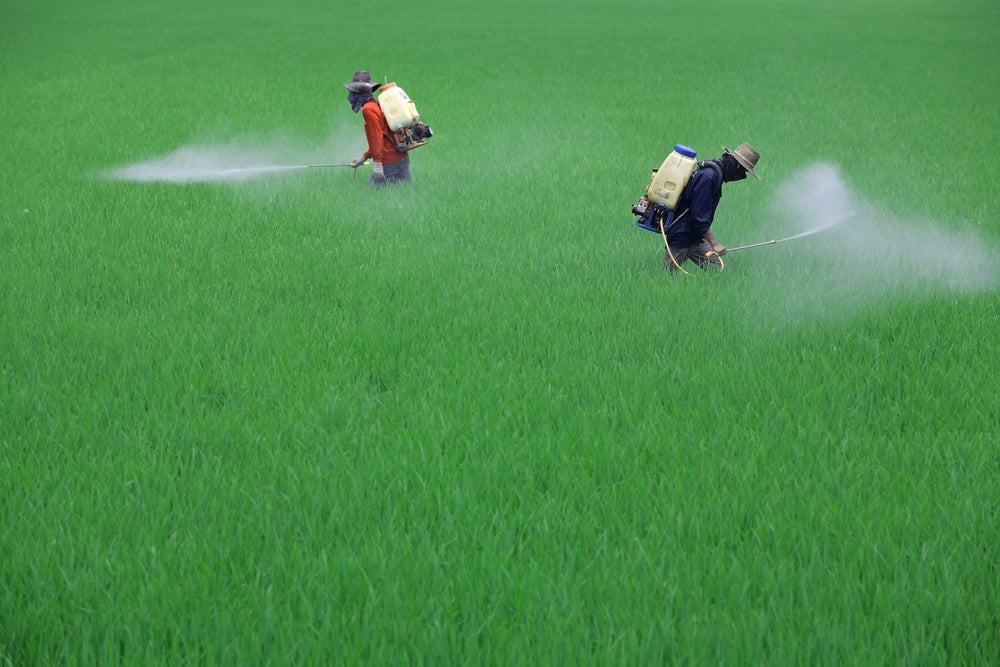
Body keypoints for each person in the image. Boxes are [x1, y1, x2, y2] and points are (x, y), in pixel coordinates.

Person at [663, 143, 761, 272]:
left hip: (695, 236)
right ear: (736, 165)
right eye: (743, 170)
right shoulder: (709, 177)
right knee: (667, 275)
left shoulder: (715, 175)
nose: (742, 175)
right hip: (682, 234)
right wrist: (714, 243)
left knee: (722, 272)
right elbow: (699, 216)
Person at [343, 70, 411, 187]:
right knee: (408, 192)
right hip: (402, 157)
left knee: (369, 197)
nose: (350, 96)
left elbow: (376, 138)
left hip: (389, 162)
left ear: (358, 93)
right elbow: (384, 136)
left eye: (352, 92)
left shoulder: (368, 109)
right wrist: (363, 158)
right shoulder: (377, 104)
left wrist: (378, 164)